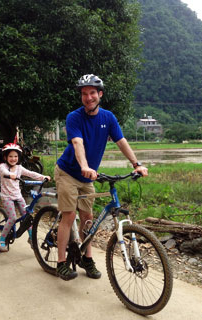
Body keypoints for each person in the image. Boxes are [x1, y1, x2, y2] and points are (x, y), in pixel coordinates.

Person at [55, 74, 148, 281]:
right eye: (84, 94)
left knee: (88, 218)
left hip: (88, 177)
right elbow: (78, 143)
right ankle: (61, 262)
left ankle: (86, 258)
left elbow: (121, 141)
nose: (88, 98)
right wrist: (85, 166)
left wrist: (136, 164)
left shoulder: (108, 117)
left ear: (100, 94)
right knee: (69, 216)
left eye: (92, 93)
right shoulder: (74, 117)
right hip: (68, 172)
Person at [0, 143, 51, 252]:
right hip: (6, 197)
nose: (13, 159)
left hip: (18, 195)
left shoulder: (19, 168)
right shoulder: (3, 166)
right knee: (12, 218)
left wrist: (43, 177)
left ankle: (31, 238)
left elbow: (31, 174)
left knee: (27, 218)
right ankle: (1, 240)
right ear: (5, 157)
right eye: (10, 156)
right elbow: (4, 172)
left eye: (15, 156)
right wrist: (10, 175)